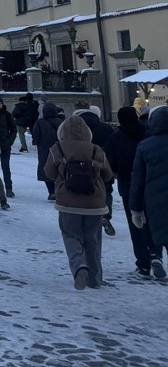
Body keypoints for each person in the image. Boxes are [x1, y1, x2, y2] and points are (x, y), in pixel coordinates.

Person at [44, 113, 114, 290]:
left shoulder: (57, 149)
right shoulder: (96, 149)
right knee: (93, 239)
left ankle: (79, 266)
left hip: (68, 202)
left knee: (70, 235)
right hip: (94, 203)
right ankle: (95, 278)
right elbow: (107, 174)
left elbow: (49, 172)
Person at [106, 107, 164, 278]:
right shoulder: (148, 134)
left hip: (128, 184)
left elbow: (110, 163)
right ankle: (155, 254)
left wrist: (118, 173)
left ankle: (143, 265)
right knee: (153, 221)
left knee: (136, 225)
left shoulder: (115, 138)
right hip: (151, 184)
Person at [130, 106, 168, 280]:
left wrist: (136, 209)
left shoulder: (145, 146)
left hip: (157, 206)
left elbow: (137, 180)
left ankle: (155, 255)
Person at [76, 103, 116, 236]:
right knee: (106, 190)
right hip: (104, 163)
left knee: (85, 191)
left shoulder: (79, 128)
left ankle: (88, 219)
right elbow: (111, 146)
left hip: (83, 164)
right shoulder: (106, 127)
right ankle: (106, 215)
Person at [32, 102, 65, 199]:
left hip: (44, 149)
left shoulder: (40, 122)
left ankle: (51, 191)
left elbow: (36, 136)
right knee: (59, 168)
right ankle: (59, 189)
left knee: (46, 169)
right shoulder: (61, 122)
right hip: (59, 149)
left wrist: (36, 142)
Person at [0, 96, 18, 198]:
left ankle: (9, 188)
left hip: (5, 145)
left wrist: (9, 141)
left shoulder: (7, 115)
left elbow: (13, 129)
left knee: (5, 167)